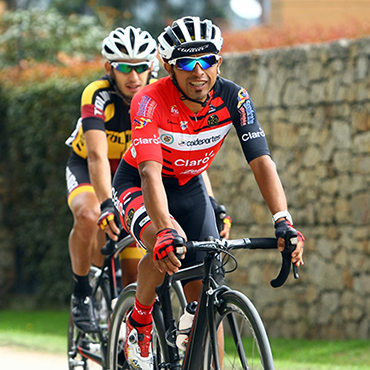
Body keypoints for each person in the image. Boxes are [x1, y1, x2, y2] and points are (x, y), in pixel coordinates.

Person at [107, 16, 306, 370]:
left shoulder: (234, 96)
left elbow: (261, 161)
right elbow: (150, 171)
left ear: (219, 62)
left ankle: (197, 334)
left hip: (191, 186)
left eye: (208, 60)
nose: (199, 71)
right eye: (186, 62)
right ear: (168, 66)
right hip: (140, 183)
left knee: (208, 288)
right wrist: (165, 227)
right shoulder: (149, 101)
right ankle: (139, 320)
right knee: (164, 243)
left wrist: (283, 221)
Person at [65, 26, 158, 333]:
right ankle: (81, 291)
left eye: (141, 67)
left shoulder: (158, 96)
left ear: (152, 67)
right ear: (109, 68)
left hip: (129, 173)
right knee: (90, 215)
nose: (133, 77)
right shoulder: (97, 94)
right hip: (90, 166)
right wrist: (107, 203)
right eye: (123, 67)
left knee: (135, 274)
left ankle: (127, 341)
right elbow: (96, 156)